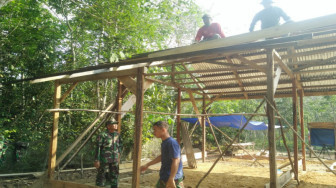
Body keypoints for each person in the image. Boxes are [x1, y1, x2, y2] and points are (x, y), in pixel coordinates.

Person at [140, 121, 184, 188]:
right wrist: (147, 165)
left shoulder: (171, 143)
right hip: (165, 176)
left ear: (163, 130)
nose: (153, 132)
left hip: (173, 178)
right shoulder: (165, 142)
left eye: (155, 130)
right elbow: (162, 156)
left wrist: (171, 178)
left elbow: (176, 160)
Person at [94, 121, 123, 188]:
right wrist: (97, 160)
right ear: (108, 126)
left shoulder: (117, 135)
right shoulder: (102, 135)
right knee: (101, 175)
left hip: (114, 159)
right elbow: (98, 148)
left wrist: (119, 153)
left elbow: (120, 145)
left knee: (115, 175)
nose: (116, 125)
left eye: (116, 124)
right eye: (114, 124)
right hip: (104, 159)